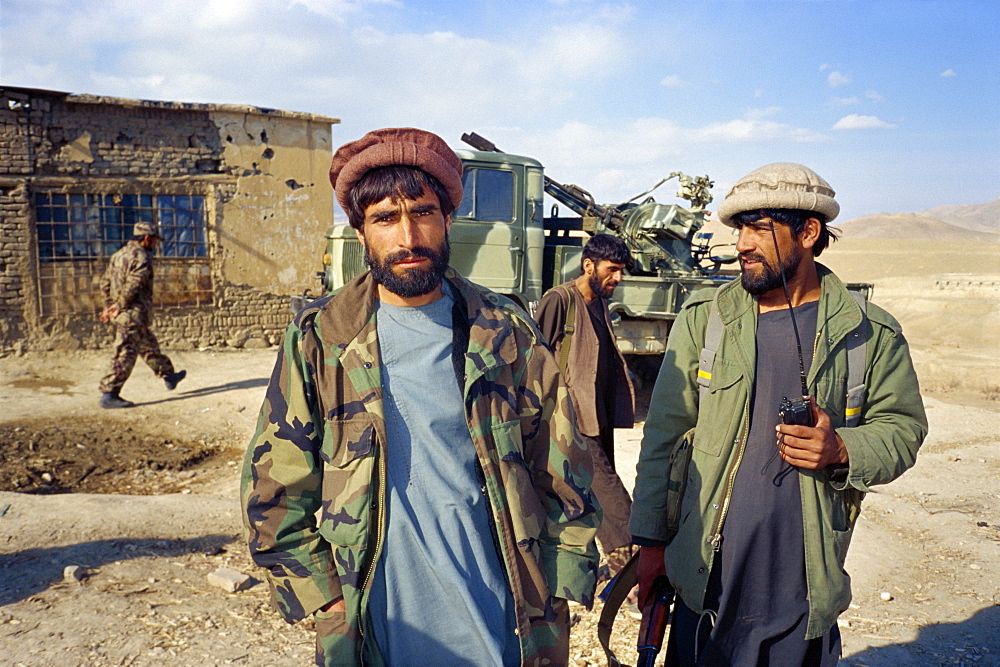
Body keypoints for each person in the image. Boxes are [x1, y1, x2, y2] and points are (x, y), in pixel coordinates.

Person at [241, 128, 601, 667]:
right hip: (377, 622)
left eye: (423, 213)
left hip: (505, 614)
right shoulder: (323, 339)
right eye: (385, 219)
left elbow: (561, 465)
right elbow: (274, 486)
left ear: (447, 220)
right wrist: (328, 600)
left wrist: (558, 582)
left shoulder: (505, 332)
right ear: (360, 234)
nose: (408, 236)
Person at [629, 163, 928, 665]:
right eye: (739, 229)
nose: (742, 243)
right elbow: (664, 435)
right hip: (706, 582)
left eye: (760, 228)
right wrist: (650, 543)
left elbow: (904, 428)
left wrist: (842, 449)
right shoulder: (706, 321)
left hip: (801, 591)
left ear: (808, 232)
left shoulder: (869, 334)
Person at [534, 233, 636, 579]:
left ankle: (587, 567)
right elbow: (536, 359)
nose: (618, 278)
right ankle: (633, 578)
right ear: (588, 264)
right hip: (572, 419)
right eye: (612, 270)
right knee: (613, 498)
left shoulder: (599, 303)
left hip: (599, 416)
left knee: (588, 496)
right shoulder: (560, 300)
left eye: (622, 271)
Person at [97, 221, 185, 408]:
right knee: (124, 353)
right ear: (146, 238)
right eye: (154, 240)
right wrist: (118, 305)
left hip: (128, 314)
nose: (155, 244)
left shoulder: (118, 255)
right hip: (131, 314)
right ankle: (109, 393)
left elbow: (104, 282)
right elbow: (133, 285)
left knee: (148, 346)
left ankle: (168, 375)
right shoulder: (142, 257)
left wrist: (108, 306)